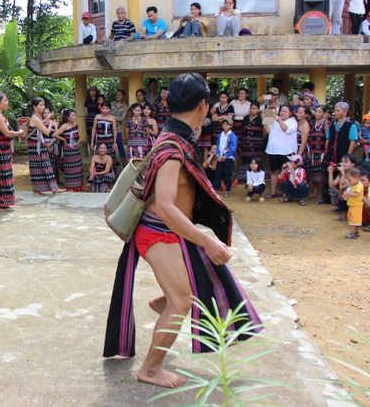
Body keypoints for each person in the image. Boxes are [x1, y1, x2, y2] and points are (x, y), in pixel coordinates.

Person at [103, 72, 262, 388]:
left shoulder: (176, 135)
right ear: (203, 105)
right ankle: (150, 369)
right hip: (159, 230)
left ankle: (164, 302)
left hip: (171, 230)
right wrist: (207, 241)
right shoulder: (173, 147)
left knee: (186, 292)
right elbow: (165, 205)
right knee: (183, 302)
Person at [0, 92, 24, 211]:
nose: (7, 102)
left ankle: (3, 202)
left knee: (4, 175)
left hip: (3, 150)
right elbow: (7, 133)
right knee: (0, 176)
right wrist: (19, 133)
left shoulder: (0, 116)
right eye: (5, 100)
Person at [321, 102, 359, 204]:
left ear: (345, 112)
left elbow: (353, 141)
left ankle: (340, 201)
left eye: (338, 111)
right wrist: (326, 152)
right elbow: (328, 139)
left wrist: (348, 157)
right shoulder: (332, 124)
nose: (335, 112)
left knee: (341, 176)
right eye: (335, 110)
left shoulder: (351, 125)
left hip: (343, 153)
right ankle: (326, 197)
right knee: (328, 173)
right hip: (331, 153)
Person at [27, 97, 64, 195]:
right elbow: (47, 131)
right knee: (42, 166)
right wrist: (51, 123)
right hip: (36, 146)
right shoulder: (35, 118)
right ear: (35, 107)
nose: (43, 107)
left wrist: (47, 119)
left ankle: (41, 189)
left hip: (37, 145)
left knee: (40, 167)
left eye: (43, 105)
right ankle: (50, 189)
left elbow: (40, 125)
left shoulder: (37, 117)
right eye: (41, 105)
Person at [263, 104, 298, 198]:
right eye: (282, 111)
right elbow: (269, 131)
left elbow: (286, 130)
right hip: (274, 151)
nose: (283, 113)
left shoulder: (292, 122)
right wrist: (264, 120)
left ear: (290, 113)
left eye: (285, 111)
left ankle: (287, 192)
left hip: (287, 151)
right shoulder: (274, 120)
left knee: (287, 172)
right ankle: (273, 191)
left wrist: (279, 120)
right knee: (274, 172)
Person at [53, 109, 83, 191]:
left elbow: (78, 134)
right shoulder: (64, 126)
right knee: (70, 168)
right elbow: (55, 134)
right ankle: (71, 186)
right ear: (67, 117)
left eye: (75, 115)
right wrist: (63, 139)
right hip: (68, 150)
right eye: (72, 115)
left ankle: (78, 185)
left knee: (78, 167)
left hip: (75, 148)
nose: (74, 117)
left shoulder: (76, 124)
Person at [237, 103, 264, 182]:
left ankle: (257, 180)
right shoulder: (246, 118)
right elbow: (242, 130)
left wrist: (261, 139)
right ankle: (243, 178)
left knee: (256, 162)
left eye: (255, 109)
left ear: (258, 110)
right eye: (252, 108)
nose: (253, 110)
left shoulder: (261, 118)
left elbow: (264, 131)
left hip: (257, 144)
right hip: (246, 143)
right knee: (245, 161)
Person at [213, 117, 238, 197]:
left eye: (227, 125)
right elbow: (218, 146)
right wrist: (218, 155)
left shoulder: (233, 136)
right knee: (218, 173)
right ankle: (214, 189)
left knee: (227, 173)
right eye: (223, 124)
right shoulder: (220, 135)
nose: (224, 126)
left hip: (228, 158)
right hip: (220, 156)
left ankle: (227, 190)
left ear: (230, 126)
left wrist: (225, 156)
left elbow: (233, 148)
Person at [308, 105, 328, 198]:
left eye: (319, 111)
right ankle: (315, 191)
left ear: (324, 113)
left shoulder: (327, 123)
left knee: (322, 172)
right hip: (312, 151)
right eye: (316, 111)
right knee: (314, 171)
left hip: (322, 151)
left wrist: (327, 120)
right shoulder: (311, 123)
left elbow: (328, 135)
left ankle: (322, 193)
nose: (317, 113)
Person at [91, 102, 118, 170]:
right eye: (103, 108)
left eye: (107, 108)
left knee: (110, 157)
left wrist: (114, 143)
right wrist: (92, 141)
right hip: (99, 140)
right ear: (100, 108)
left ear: (109, 109)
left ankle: (111, 175)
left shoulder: (112, 118)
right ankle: (99, 174)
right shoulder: (97, 117)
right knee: (99, 157)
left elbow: (114, 131)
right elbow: (94, 129)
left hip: (109, 140)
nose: (105, 110)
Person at [343, 167, 364, 238]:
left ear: (356, 177)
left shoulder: (359, 186)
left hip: (356, 206)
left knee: (353, 221)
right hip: (353, 205)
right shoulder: (354, 185)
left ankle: (352, 233)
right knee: (355, 221)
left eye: (349, 180)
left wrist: (348, 193)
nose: (349, 182)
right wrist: (346, 195)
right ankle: (355, 232)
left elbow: (356, 194)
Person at [110, 89, 128, 167]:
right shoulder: (111, 104)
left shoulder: (125, 106)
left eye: (120, 94)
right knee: (110, 145)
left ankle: (124, 162)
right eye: (117, 94)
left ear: (123, 96)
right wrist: (115, 120)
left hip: (118, 129)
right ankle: (113, 161)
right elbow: (106, 113)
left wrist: (111, 118)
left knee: (120, 145)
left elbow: (122, 118)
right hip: (109, 128)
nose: (118, 96)